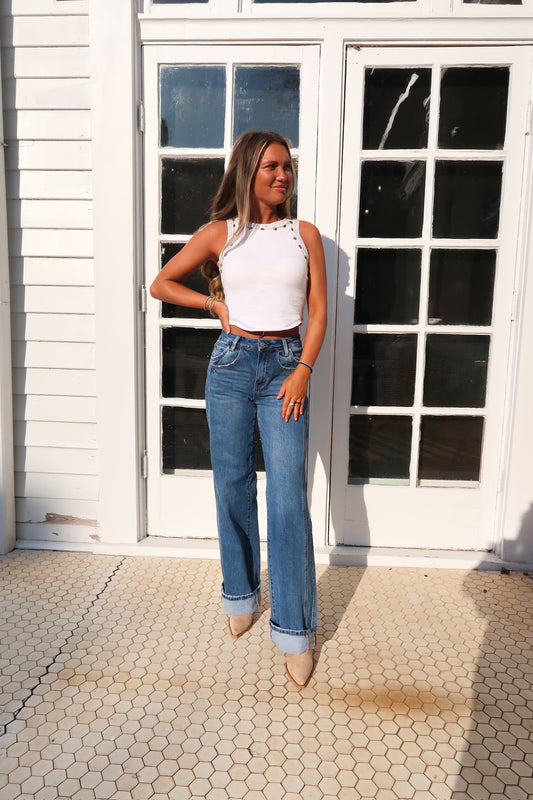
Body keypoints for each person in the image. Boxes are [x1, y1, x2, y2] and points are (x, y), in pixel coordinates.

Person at [150, 130, 327, 688]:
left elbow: (318, 312)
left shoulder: (305, 235)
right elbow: (161, 283)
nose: (283, 176)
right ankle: (240, 594)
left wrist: (302, 370)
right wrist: (214, 304)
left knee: (286, 498)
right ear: (247, 171)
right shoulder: (220, 234)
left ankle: (296, 629)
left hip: (285, 368)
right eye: (271, 166)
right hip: (230, 365)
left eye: (288, 167)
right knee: (231, 484)